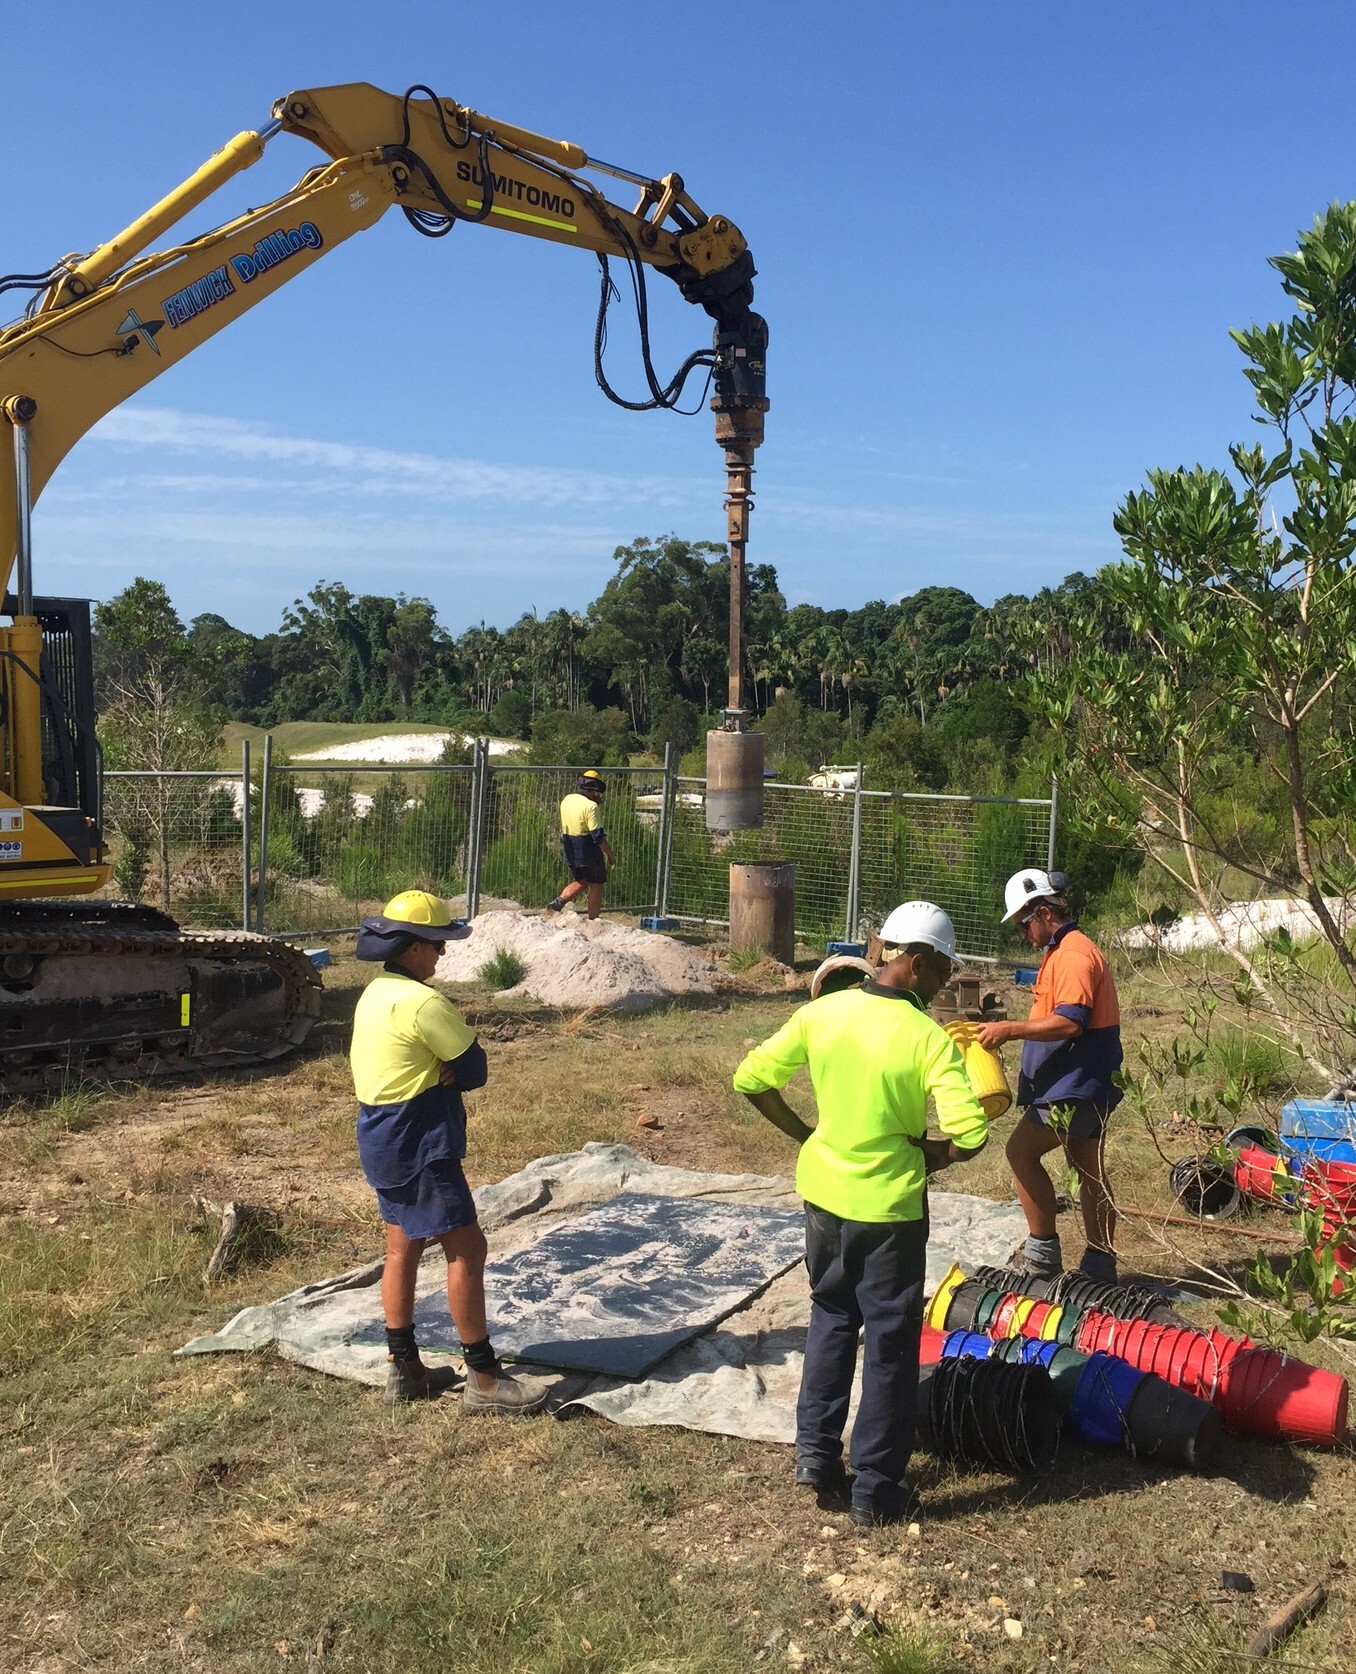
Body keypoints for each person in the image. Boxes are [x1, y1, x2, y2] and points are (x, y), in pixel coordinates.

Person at [732, 902, 989, 1527]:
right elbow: (972, 1132)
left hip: (824, 1199)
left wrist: (807, 1135)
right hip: (890, 1212)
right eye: (944, 970)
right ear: (917, 962)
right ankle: (875, 1487)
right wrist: (934, 1154)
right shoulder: (926, 1037)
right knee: (891, 1344)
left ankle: (816, 1456)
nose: (946, 983)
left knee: (831, 1318)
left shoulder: (823, 1012)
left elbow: (751, 1079)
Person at [351, 889, 549, 1412]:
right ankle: (484, 1379)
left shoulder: (374, 994)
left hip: (379, 1136)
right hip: (420, 1142)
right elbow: (474, 1068)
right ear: (413, 946)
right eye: (437, 944)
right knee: (468, 1249)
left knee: (402, 1248)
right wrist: (451, 1071)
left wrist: (446, 1069)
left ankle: (404, 1369)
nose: (442, 954)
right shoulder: (424, 1003)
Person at [976, 868, 1122, 1284]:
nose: (1023, 934)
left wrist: (1010, 1029)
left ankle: (1041, 1259)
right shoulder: (1064, 951)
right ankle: (1099, 1268)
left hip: (1074, 1084)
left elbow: (1071, 1022)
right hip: (1087, 1080)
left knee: (1021, 1153)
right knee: (1087, 1169)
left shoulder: (1073, 955)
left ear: (1043, 913)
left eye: (1023, 925)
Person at [546, 769, 615, 921]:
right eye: (596, 792)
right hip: (587, 848)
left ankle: (559, 902)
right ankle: (593, 921)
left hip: (569, 847)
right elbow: (598, 836)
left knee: (582, 880)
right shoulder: (591, 806)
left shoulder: (567, 799)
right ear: (593, 790)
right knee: (596, 884)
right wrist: (610, 855)